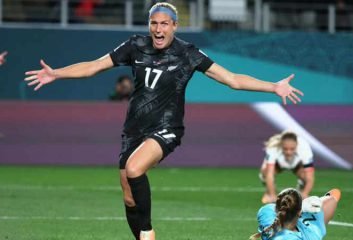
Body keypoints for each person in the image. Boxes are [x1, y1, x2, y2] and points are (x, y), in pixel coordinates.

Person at [24, 2, 303, 240]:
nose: (158, 29)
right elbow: (94, 66)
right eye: (154, 23)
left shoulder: (188, 53)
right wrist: (57, 73)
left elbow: (232, 79)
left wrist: (273, 87)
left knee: (134, 169)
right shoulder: (135, 45)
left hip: (167, 128)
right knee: (130, 198)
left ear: (175, 26)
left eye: (165, 24)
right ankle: (143, 233)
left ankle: (147, 234)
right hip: (133, 129)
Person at [249, 188, 341, 240]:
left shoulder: (266, 214)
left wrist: (302, 206)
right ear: (299, 211)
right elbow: (335, 193)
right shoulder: (314, 229)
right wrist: (309, 203)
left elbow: (270, 208)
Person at [259, 131, 314, 204]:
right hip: (278, 164)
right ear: (281, 145)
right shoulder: (273, 147)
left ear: (297, 145)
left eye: (292, 149)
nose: (289, 152)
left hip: (297, 165)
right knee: (264, 172)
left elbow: (310, 177)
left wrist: (305, 194)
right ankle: (269, 192)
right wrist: (272, 195)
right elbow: (269, 174)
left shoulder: (305, 148)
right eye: (285, 149)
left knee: (305, 176)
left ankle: (301, 188)